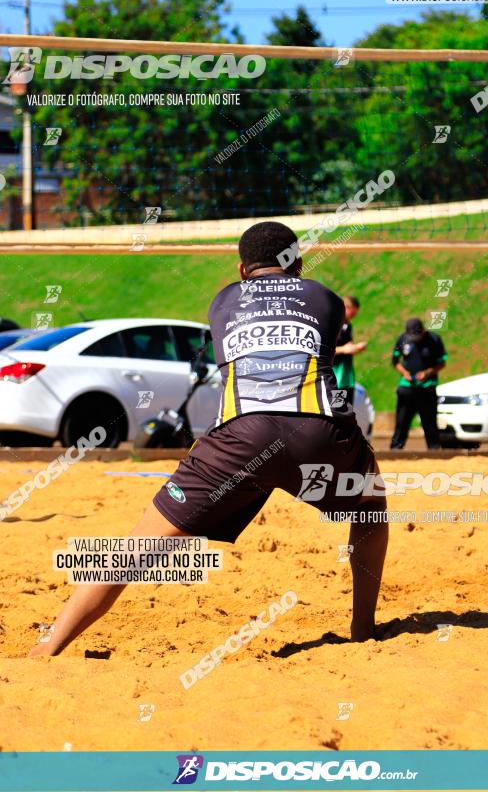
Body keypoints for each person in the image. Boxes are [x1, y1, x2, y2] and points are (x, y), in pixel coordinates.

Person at [30, 221, 388, 656]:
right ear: (298, 265)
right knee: (371, 505)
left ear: (242, 269)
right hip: (317, 430)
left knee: (138, 545)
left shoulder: (222, 302)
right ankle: (363, 628)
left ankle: (46, 649)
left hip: (239, 436)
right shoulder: (324, 298)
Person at [390, 317, 447, 450]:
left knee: (429, 422)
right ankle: (395, 449)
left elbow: (442, 362)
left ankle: (434, 450)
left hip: (427, 387)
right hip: (407, 386)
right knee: (402, 421)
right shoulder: (403, 339)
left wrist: (427, 373)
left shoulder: (434, 340)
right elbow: (395, 361)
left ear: (423, 331)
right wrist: (404, 373)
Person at [332, 296, 367, 406]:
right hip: (336, 378)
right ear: (346, 307)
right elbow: (322, 349)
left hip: (347, 378)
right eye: (353, 313)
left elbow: (348, 346)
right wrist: (343, 349)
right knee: (338, 410)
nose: (353, 317)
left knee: (348, 410)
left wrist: (356, 349)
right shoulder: (332, 323)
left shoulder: (348, 325)